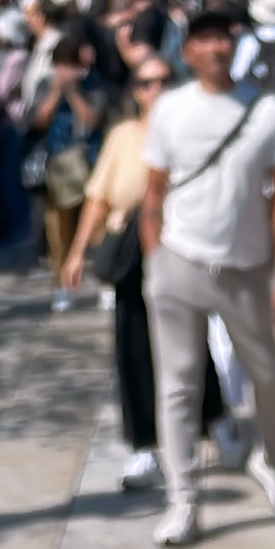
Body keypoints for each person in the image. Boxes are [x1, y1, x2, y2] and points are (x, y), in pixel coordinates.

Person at [139, 9, 275, 549]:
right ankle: (182, 498)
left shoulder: (267, 110)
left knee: (269, 377)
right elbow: (153, 191)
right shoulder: (170, 109)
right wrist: (153, 262)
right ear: (188, 52)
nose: (215, 48)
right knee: (179, 385)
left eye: (223, 38)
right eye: (204, 40)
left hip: (247, 267)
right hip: (180, 261)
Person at [61, 52, 174, 488]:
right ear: (135, 92)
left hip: (180, 244)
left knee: (191, 342)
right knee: (134, 347)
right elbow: (98, 195)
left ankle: (210, 418)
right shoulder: (125, 135)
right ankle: (144, 443)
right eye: (146, 83)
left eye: (163, 81)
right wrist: (76, 252)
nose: (156, 91)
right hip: (131, 248)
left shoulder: (188, 129)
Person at [19, 24, 104, 312]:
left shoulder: (95, 84)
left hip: (92, 160)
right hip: (57, 164)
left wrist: (75, 92)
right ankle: (62, 285)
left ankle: (106, 283)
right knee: (58, 229)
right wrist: (56, 90)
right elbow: (37, 120)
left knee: (98, 227)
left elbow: (93, 119)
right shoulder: (45, 84)